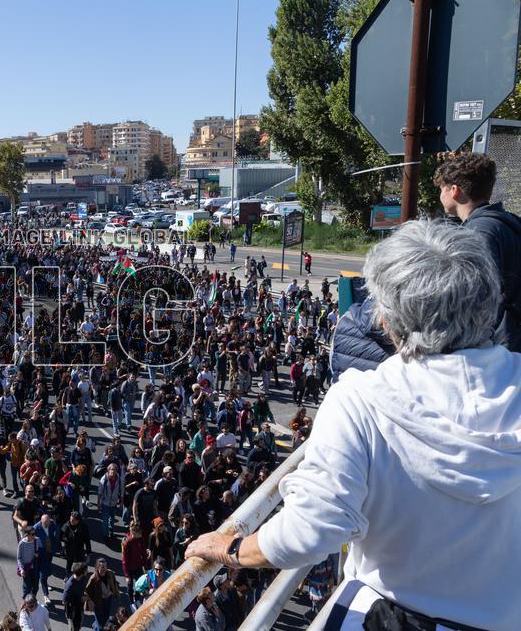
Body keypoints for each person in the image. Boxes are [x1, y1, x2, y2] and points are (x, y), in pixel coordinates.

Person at [185, 219, 521, 630]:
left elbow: (309, 532)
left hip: (398, 615)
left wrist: (232, 548)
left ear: (391, 320)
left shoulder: (361, 399)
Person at [435, 152, 521, 351]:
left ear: (454, 191)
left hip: (500, 342)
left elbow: (476, 294)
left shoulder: (480, 231)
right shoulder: (506, 221)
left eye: (441, 189)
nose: (440, 196)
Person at [85, 558, 120, 631]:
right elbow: (87, 591)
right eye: (102, 567)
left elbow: (114, 584)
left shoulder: (110, 573)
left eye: (105, 566)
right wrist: (90, 601)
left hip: (108, 598)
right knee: (100, 621)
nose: (104, 569)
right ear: (97, 567)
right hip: (98, 601)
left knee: (106, 616)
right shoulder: (93, 578)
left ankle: (95, 625)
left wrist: (115, 593)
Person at [16, 525, 42, 599]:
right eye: (32, 534)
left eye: (35, 533)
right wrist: (21, 569)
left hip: (35, 568)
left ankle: (32, 600)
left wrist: (38, 554)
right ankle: (25, 603)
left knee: (36, 587)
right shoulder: (21, 544)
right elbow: (19, 558)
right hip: (26, 569)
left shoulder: (37, 540)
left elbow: (42, 551)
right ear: (27, 534)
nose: (34, 536)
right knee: (27, 588)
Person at [61, 563, 88, 631]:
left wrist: (85, 596)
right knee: (73, 628)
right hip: (72, 610)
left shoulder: (82, 578)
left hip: (79, 606)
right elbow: (64, 601)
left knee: (79, 625)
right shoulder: (70, 585)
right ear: (81, 573)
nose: (87, 571)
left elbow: (85, 589)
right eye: (86, 570)